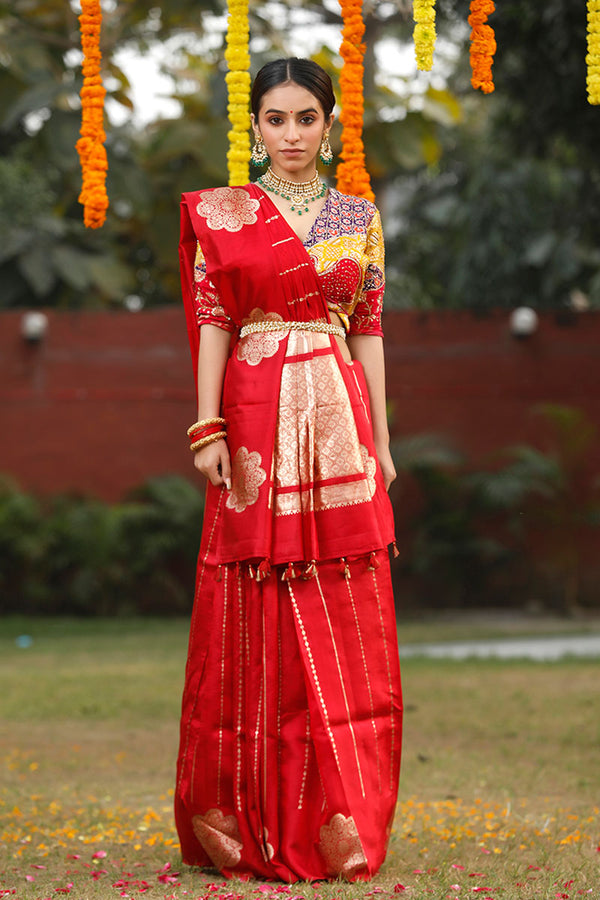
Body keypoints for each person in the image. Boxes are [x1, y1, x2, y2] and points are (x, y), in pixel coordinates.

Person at [176, 57, 403, 883]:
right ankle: (243, 814)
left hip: (338, 412)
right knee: (252, 594)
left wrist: (380, 440)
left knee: (338, 593)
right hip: (255, 415)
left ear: (330, 122)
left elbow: (370, 328)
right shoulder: (226, 213)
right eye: (277, 120)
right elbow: (212, 321)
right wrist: (207, 425)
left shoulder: (358, 215)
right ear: (255, 128)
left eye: (306, 118)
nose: (293, 135)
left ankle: (339, 811)